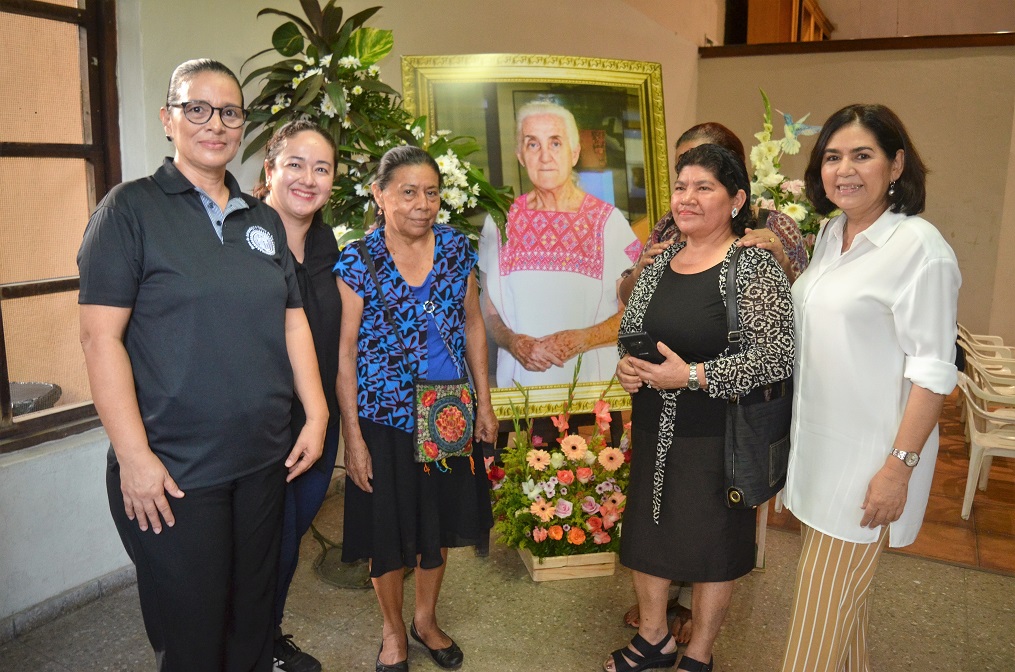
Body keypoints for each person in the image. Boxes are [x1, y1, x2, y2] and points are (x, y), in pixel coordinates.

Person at [77, 59, 328, 671]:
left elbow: (292, 320)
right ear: (169, 119)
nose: (215, 124)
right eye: (197, 108)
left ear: (242, 127)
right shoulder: (128, 211)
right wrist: (135, 459)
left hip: (263, 462)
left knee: (252, 620)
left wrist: (316, 416)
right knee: (193, 636)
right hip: (176, 472)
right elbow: (99, 340)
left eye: (230, 112)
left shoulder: (262, 220)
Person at [781, 104, 960, 672]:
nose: (844, 169)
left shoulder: (920, 250)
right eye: (832, 156)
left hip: (866, 467)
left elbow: (934, 372)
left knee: (814, 633)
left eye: (863, 155)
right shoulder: (833, 233)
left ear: (897, 164)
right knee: (843, 618)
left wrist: (897, 469)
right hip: (819, 453)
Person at [618, 121, 810, 644]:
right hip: (654, 426)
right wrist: (627, 366)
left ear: (736, 199)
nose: (688, 198)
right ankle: (653, 637)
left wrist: (695, 376)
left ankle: (699, 651)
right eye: (681, 187)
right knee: (648, 536)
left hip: (721, 432)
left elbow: (776, 355)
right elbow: (631, 332)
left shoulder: (752, 265)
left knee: (712, 549)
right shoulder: (658, 264)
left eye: (704, 187)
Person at [334, 146, 498, 671]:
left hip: (447, 411)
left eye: (431, 192)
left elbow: (473, 323)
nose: (421, 204)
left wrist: (484, 403)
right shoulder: (357, 260)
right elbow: (345, 352)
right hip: (384, 421)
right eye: (408, 192)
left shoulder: (455, 248)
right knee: (388, 532)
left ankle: (424, 620)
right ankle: (392, 631)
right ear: (380, 196)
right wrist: (353, 438)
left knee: (437, 526)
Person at [255, 119, 341, 672]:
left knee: (285, 550)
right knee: (268, 544)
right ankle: (248, 648)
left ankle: (266, 636)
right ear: (269, 170)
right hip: (260, 427)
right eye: (295, 164)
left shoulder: (326, 241)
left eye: (322, 168)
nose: (308, 179)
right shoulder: (239, 236)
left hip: (319, 423)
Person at [479, 100, 642, 388]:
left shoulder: (609, 223)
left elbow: (637, 308)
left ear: (575, 152)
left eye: (555, 143)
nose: (544, 157)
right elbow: (489, 312)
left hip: (591, 397)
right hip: (519, 397)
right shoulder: (499, 221)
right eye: (532, 145)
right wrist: (513, 342)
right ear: (519, 154)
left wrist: (583, 339)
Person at [619, 122, 809, 306]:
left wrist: (781, 262)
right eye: (682, 167)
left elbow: (803, 305)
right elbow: (630, 299)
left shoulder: (775, 227)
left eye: (703, 185)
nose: (692, 166)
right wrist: (639, 274)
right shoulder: (668, 227)